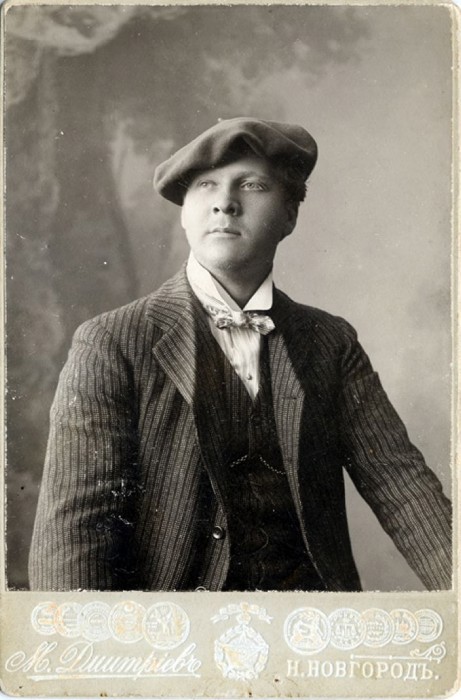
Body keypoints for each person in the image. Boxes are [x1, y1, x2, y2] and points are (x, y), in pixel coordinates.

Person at [28, 117, 452, 592]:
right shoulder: (111, 342)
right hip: (168, 630)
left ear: (290, 215)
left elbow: (402, 485)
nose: (224, 202)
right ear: (184, 213)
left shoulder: (330, 342)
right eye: (206, 185)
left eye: (252, 185)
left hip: (310, 622)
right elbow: (74, 534)